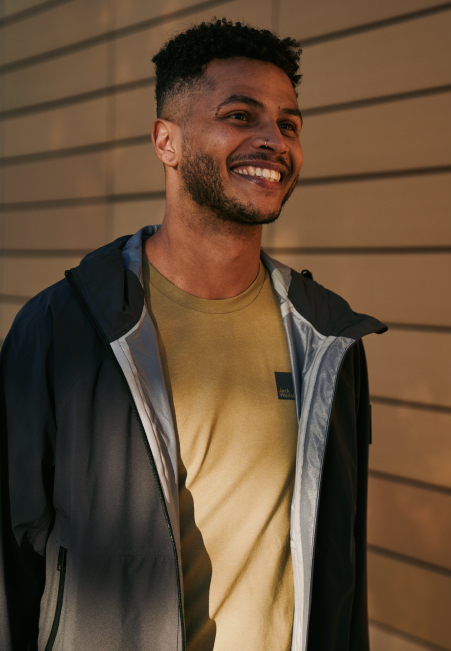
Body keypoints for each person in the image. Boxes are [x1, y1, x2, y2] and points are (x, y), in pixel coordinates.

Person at [0, 19, 386, 651]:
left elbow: (342, 571)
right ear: (167, 142)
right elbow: (9, 558)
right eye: (241, 116)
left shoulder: (328, 341)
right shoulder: (61, 331)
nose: (273, 141)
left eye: (288, 125)